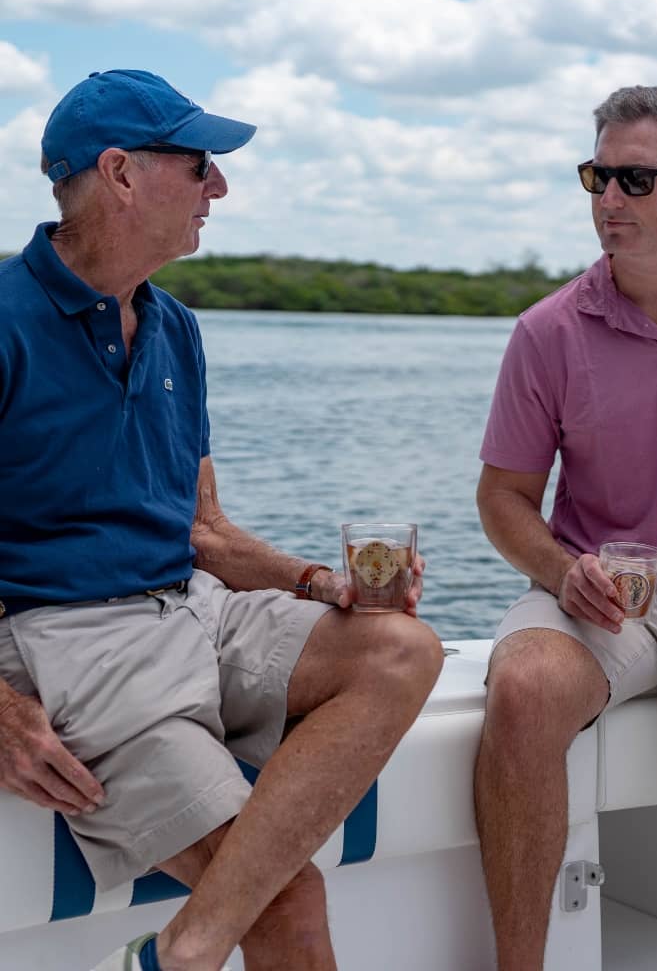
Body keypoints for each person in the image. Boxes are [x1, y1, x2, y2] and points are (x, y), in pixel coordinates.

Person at [0, 69, 444, 971]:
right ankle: (196, 948)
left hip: (190, 610)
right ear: (121, 173)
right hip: (73, 644)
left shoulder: (176, 328)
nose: (221, 187)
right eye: (201, 164)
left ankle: (185, 948)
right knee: (287, 897)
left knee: (402, 648)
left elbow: (206, 533)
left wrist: (325, 585)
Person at [474, 83, 657, 969]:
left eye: (634, 181)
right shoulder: (547, 332)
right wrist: (563, 571)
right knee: (523, 691)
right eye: (597, 177)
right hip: (599, 600)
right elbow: (503, 500)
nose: (608, 201)